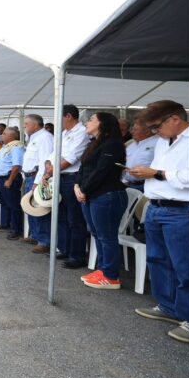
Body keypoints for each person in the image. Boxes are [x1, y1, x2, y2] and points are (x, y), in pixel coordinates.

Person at [128, 100, 189, 344]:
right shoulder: (164, 141)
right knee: (158, 259)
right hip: (156, 206)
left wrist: (156, 173)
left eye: (156, 127)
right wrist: (146, 172)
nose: (155, 132)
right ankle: (168, 306)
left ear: (175, 119)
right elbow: (159, 171)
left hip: (181, 210)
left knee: (185, 266)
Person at [75, 112, 127, 290]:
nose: (87, 123)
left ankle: (111, 276)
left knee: (107, 236)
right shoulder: (93, 143)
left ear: (102, 123)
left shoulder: (113, 144)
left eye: (91, 120)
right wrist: (77, 186)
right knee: (97, 234)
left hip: (107, 195)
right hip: (91, 195)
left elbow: (101, 171)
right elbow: (83, 168)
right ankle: (103, 269)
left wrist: (84, 189)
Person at [43, 104, 90, 268]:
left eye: (59, 116)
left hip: (72, 177)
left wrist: (50, 172)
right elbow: (53, 155)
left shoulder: (82, 132)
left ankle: (77, 256)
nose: (57, 121)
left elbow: (71, 158)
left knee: (75, 219)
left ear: (68, 116)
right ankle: (64, 248)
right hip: (59, 177)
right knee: (61, 216)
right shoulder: (63, 133)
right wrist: (48, 166)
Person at [21, 114, 54, 252]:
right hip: (29, 177)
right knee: (31, 208)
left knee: (40, 210)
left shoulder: (45, 137)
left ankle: (44, 241)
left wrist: (37, 182)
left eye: (26, 124)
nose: (24, 126)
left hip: (37, 178)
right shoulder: (34, 137)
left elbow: (44, 162)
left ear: (35, 125)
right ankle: (35, 235)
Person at [0, 127, 25, 239]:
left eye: (4, 134)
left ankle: (16, 230)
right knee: (3, 202)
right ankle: (5, 223)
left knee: (13, 204)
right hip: (1, 178)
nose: (2, 135)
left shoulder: (16, 147)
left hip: (9, 177)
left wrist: (10, 180)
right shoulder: (5, 147)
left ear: (11, 136)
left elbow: (16, 166)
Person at [122, 117, 157, 191]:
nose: (131, 132)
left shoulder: (158, 143)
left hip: (147, 185)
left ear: (147, 132)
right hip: (128, 184)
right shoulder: (131, 145)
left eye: (135, 130)